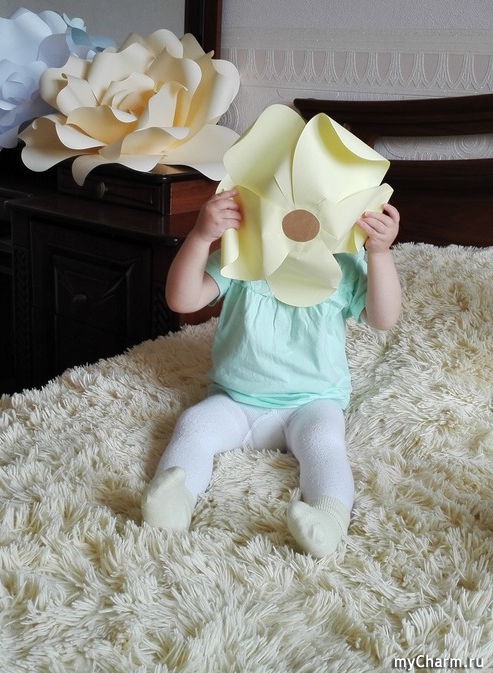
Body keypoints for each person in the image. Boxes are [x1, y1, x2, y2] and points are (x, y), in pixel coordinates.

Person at [142, 189, 401, 558]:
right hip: (235, 399)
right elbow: (182, 299)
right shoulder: (243, 254)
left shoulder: (343, 266)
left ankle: (328, 518)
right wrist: (200, 236)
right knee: (194, 425)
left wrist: (379, 254)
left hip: (311, 402)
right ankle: (175, 502)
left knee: (324, 443)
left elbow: (384, 318)